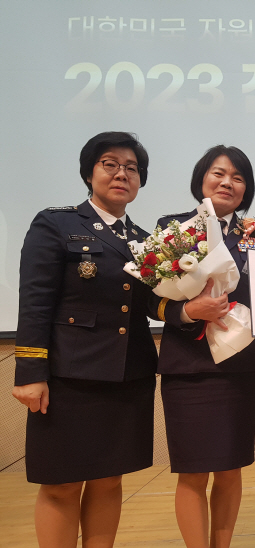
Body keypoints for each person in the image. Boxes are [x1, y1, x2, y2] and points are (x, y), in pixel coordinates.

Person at [11, 131, 191, 548]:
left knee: (109, 480)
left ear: (140, 181)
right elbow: (35, 300)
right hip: (69, 376)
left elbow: (151, 303)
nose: (121, 173)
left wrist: (187, 312)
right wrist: (30, 371)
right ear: (89, 172)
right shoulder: (56, 223)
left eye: (131, 168)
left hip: (128, 374)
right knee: (61, 484)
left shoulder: (145, 240)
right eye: (109, 164)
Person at [156, 145, 255, 548]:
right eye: (218, 174)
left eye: (238, 177)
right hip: (188, 365)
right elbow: (151, 299)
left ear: (246, 189)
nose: (227, 182)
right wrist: (189, 310)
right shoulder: (172, 229)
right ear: (201, 180)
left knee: (231, 467)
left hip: (238, 365)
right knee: (192, 470)